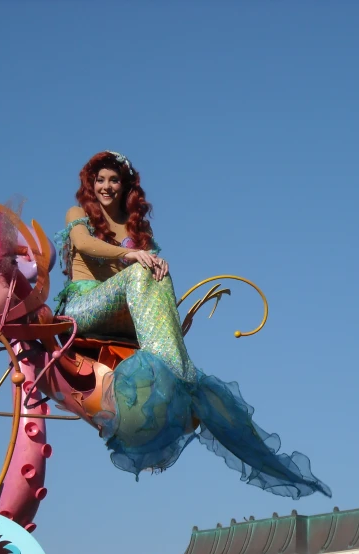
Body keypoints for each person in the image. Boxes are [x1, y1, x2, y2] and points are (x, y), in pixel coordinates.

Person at [54, 151, 331, 499]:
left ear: (125, 186)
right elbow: (83, 244)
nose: (106, 186)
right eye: (100, 180)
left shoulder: (138, 231)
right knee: (143, 268)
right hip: (83, 309)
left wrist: (149, 261)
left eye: (114, 180)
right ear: (91, 185)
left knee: (159, 271)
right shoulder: (78, 216)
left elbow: (146, 278)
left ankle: (172, 375)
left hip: (122, 317)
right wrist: (130, 255)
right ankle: (175, 373)